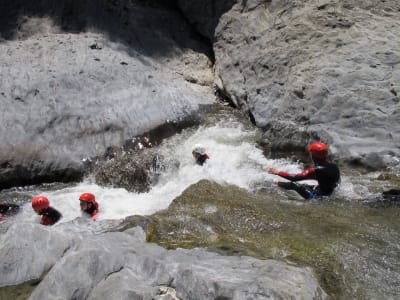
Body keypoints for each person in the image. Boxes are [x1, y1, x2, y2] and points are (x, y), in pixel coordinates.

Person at [268, 141, 340, 199]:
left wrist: (277, 172)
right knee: (305, 185)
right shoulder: (334, 166)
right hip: (329, 193)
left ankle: (273, 183)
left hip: (317, 197)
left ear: (313, 156)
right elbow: (337, 182)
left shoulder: (316, 170)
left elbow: (294, 178)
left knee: (293, 185)